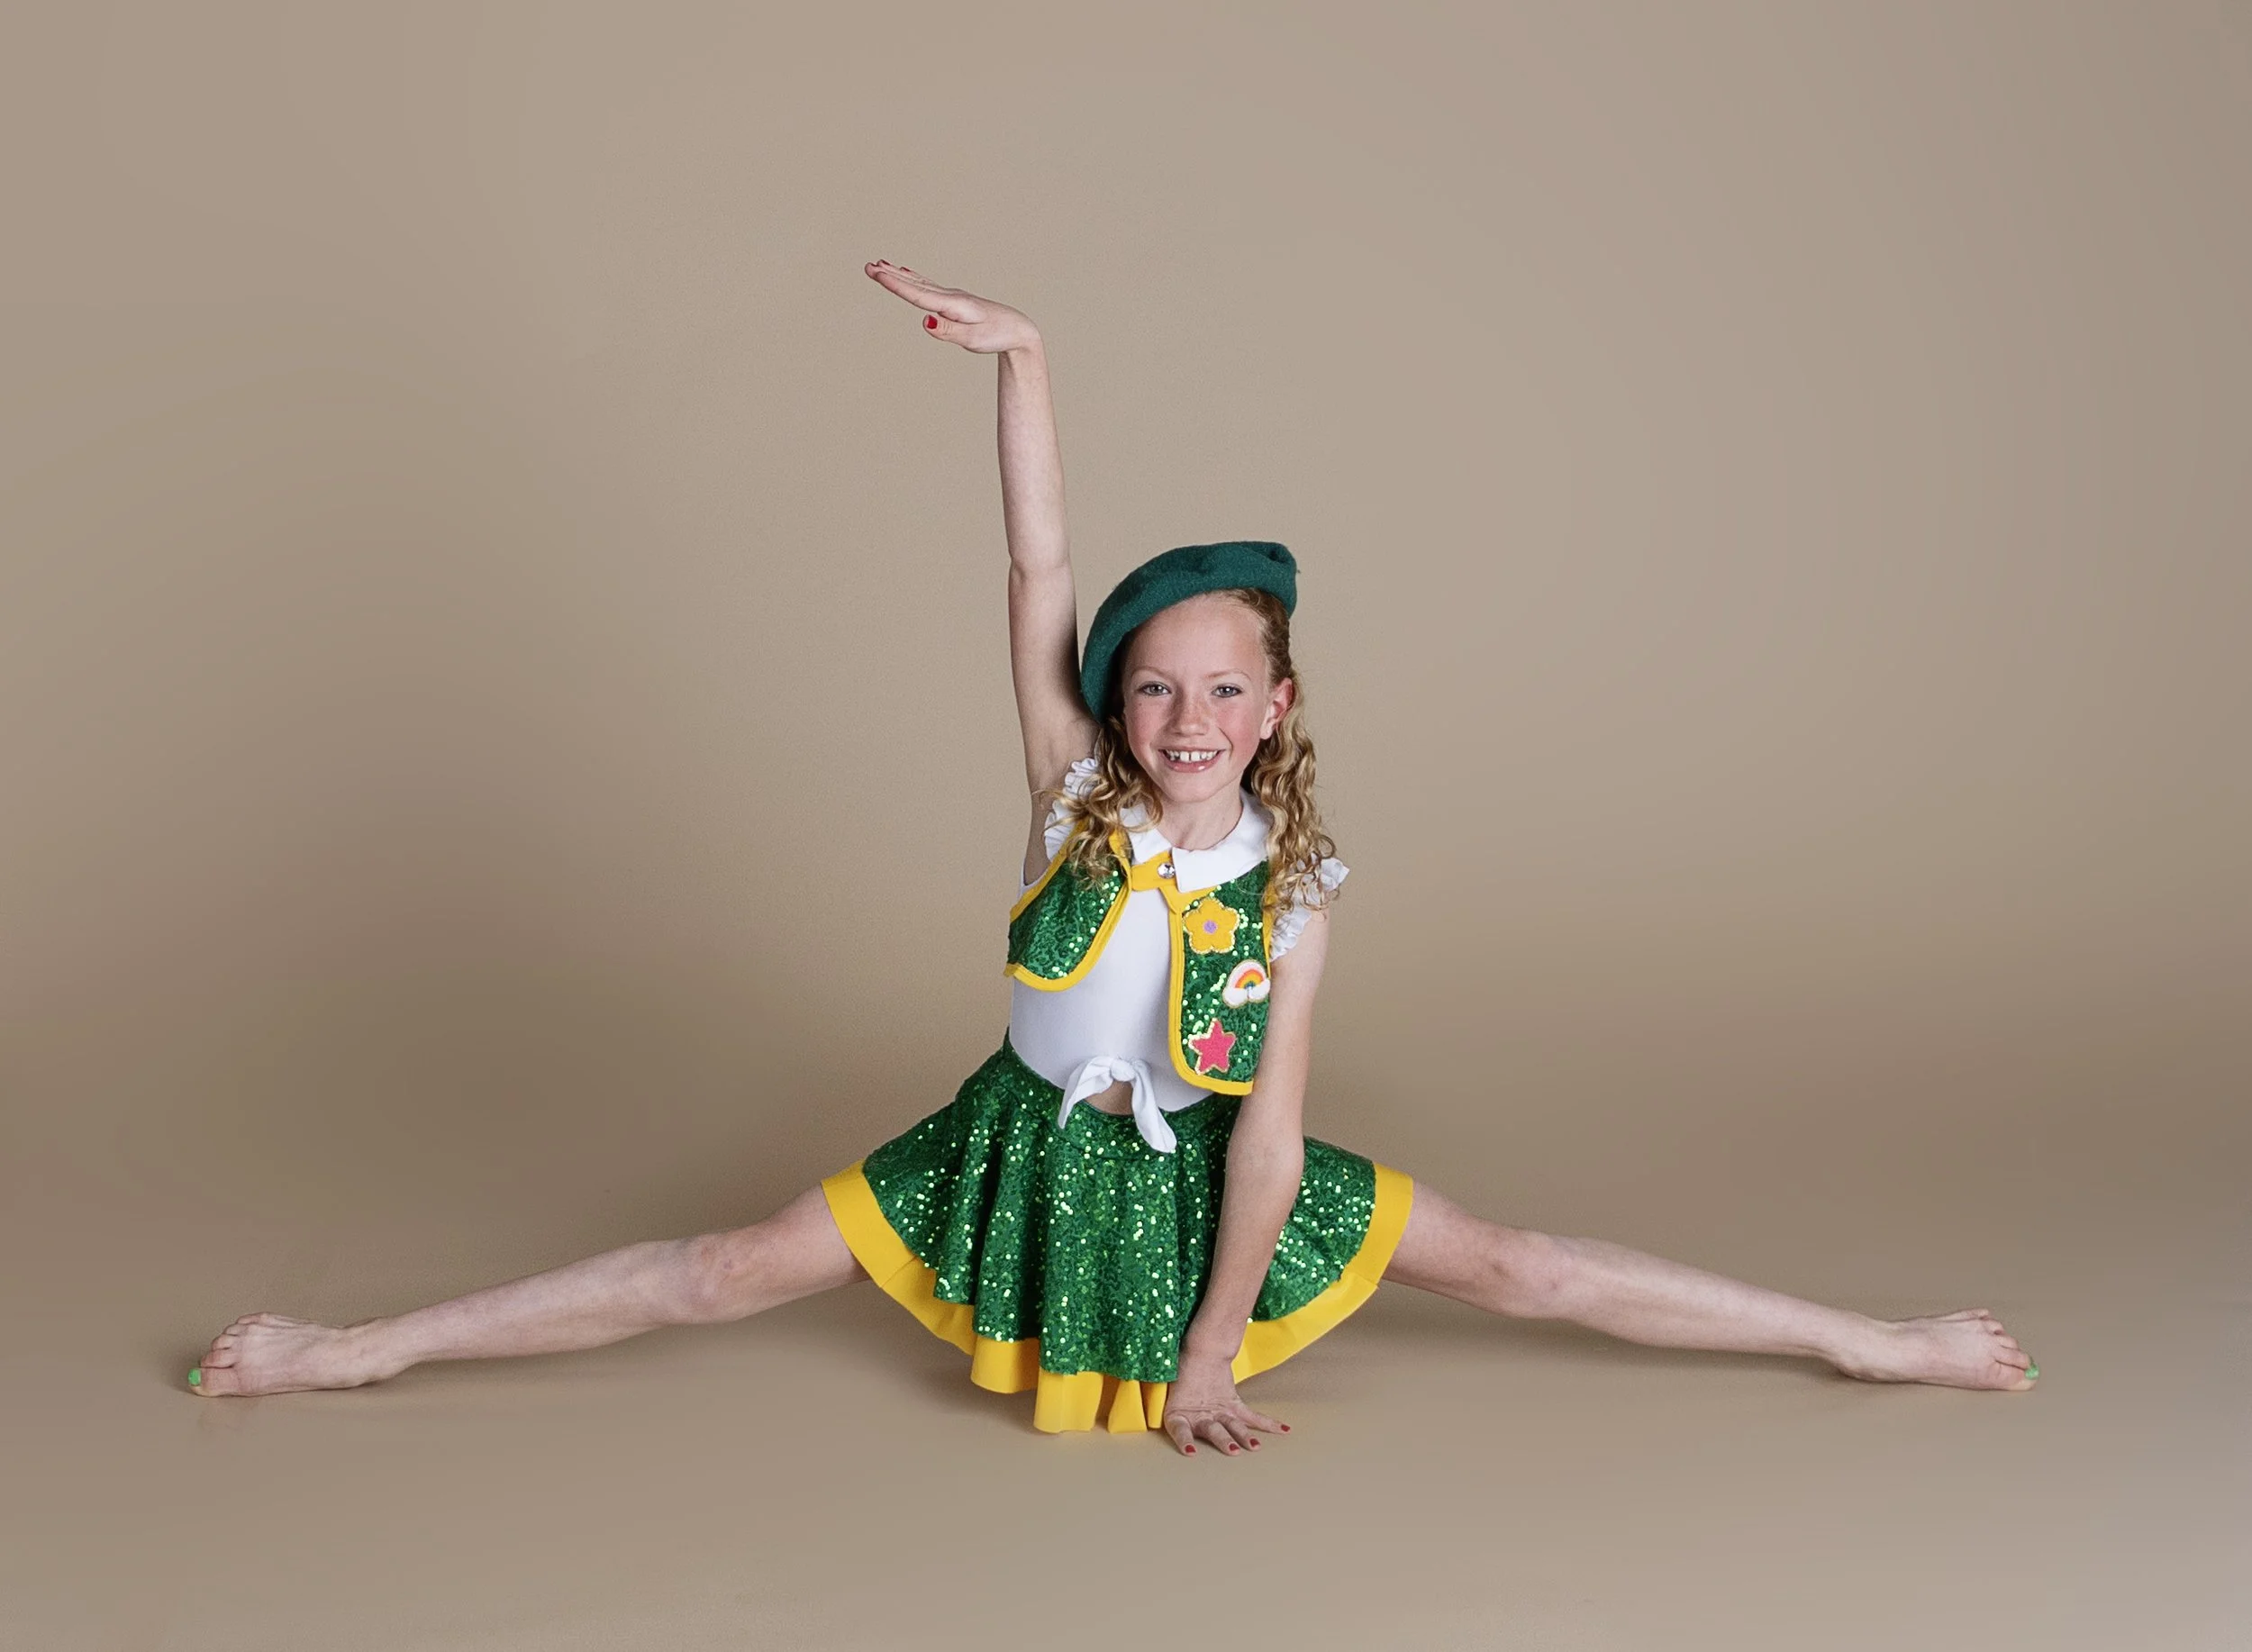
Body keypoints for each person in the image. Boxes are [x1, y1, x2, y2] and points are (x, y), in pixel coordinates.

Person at [188, 262, 2038, 1457]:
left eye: (1220, 686)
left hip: (1209, 1186)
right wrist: (1026, 361)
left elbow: (1274, 1131)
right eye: (1150, 687)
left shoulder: (1297, 890)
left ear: (1278, 699)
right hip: (1012, 1140)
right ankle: (359, 1350)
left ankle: (1869, 1342)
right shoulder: (1071, 792)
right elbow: (1035, 572)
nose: (1182, 715)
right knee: (713, 1269)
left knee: (1523, 1263)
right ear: (1112, 707)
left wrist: (1217, 1344)